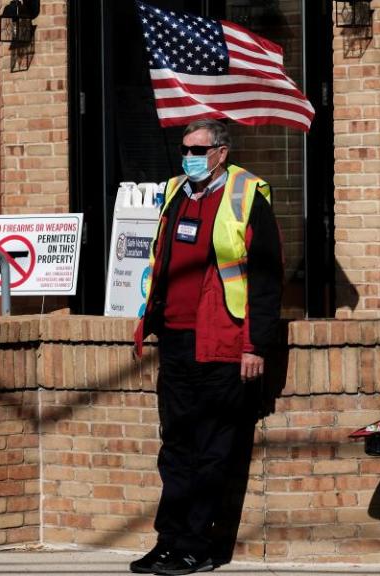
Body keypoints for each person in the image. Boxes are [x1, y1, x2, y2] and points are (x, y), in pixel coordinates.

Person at [131, 118, 283, 575]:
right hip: (175, 340)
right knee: (175, 446)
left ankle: (198, 545)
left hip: (222, 342)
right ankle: (169, 540)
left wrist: (255, 345)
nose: (189, 156)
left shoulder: (247, 193)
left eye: (198, 149)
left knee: (212, 450)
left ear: (221, 152)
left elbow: (267, 277)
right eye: (184, 148)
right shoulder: (176, 190)